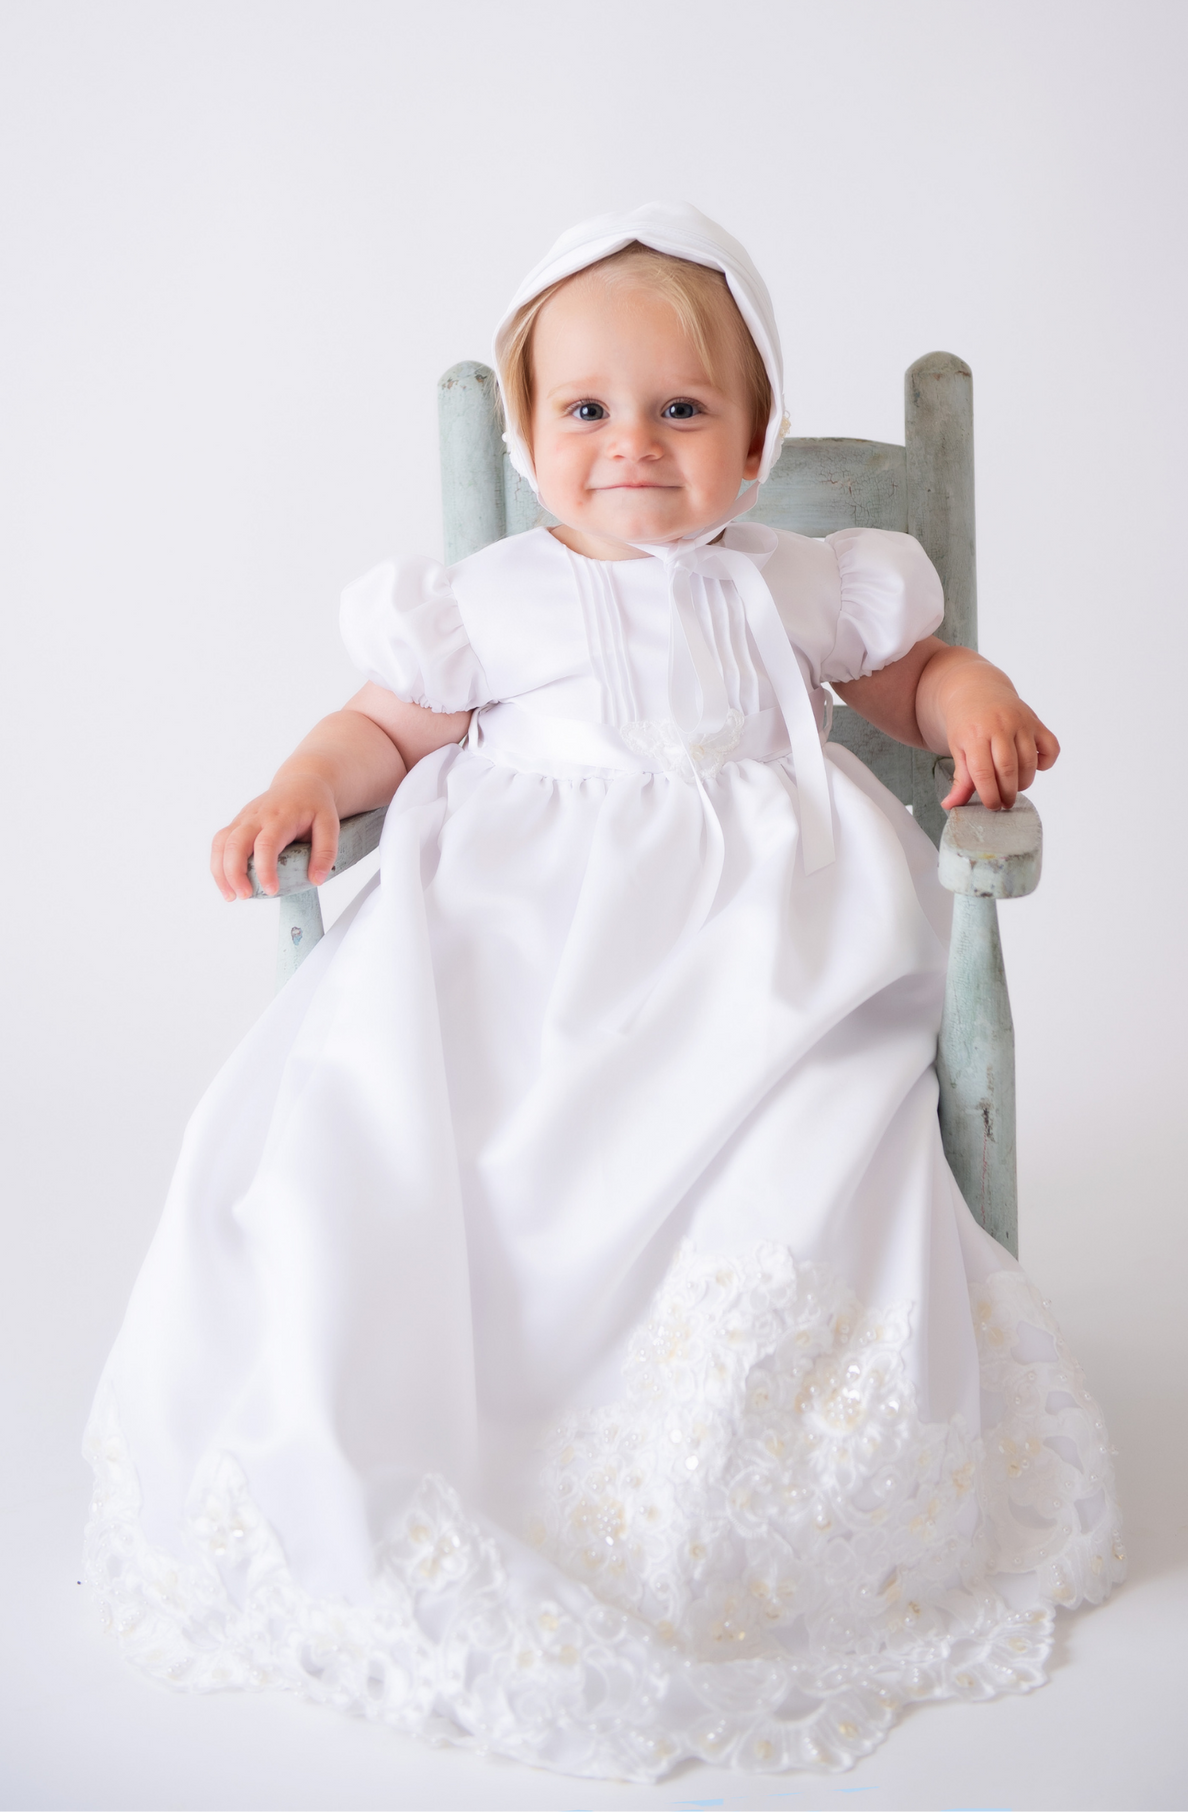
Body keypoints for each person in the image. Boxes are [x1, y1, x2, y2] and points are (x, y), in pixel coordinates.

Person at [85, 203, 1123, 1783]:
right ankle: (488, 1408)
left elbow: (900, 680)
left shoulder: (797, 581)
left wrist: (966, 689)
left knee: (808, 1159)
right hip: (528, 959)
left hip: (771, 971)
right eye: (585, 411)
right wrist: (308, 779)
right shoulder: (489, 600)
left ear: (756, 439)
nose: (631, 446)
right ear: (523, 430)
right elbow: (385, 727)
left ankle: (744, 1441)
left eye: (681, 410)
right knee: (455, 1144)